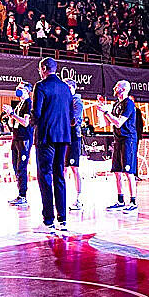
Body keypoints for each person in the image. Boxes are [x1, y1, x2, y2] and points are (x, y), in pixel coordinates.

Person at [32, 57, 73, 232]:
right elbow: (71, 115)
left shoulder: (40, 86)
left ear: (43, 69)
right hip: (63, 136)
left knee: (45, 176)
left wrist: (30, 121)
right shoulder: (66, 88)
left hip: (46, 137)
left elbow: (37, 113)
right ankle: (62, 219)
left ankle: (48, 219)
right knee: (59, 176)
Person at [101, 79, 139, 212]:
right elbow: (108, 123)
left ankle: (133, 202)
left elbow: (118, 123)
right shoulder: (116, 104)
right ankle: (120, 200)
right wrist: (103, 111)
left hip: (128, 139)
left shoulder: (129, 104)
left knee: (128, 172)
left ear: (122, 89)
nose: (114, 88)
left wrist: (107, 113)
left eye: (116, 86)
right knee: (117, 171)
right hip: (118, 140)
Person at [4, 82, 33, 207]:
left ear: (26, 91)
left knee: (22, 167)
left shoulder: (28, 103)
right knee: (16, 167)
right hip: (16, 138)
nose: (17, 90)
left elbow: (26, 123)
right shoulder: (19, 104)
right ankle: (20, 194)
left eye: (20, 88)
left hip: (24, 138)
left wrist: (12, 114)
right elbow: (13, 123)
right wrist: (9, 117)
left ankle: (23, 196)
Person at [64, 78, 86, 211]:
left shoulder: (77, 101)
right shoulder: (64, 100)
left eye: (66, 87)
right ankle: (61, 197)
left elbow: (73, 121)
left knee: (74, 168)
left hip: (73, 138)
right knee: (63, 168)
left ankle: (79, 199)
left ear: (71, 88)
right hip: (63, 137)